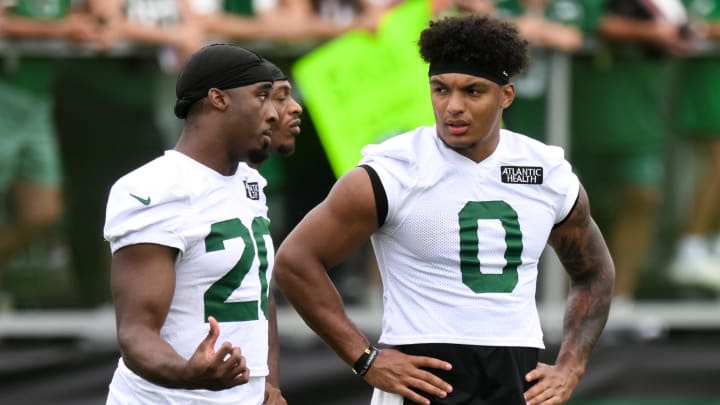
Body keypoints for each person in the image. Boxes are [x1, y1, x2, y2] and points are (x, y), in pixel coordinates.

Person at [274, 14, 614, 405]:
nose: (453, 106)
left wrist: (571, 365)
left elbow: (594, 272)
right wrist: (364, 358)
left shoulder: (545, 171)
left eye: (473, 91)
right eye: (440, 89)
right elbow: (294, 262)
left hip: (516, 377)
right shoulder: (392, 170)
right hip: (422, 381)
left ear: (506, 95)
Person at [103, 43, 285, 404]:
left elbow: (259, 295)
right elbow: (136, 331)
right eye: (261, 96)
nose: (274, 113)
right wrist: (187, 373)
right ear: (218, 98)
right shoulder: (156, 188)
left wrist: (269, 382)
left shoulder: (249, 183)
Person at [569, 0, 693, 303]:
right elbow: (586, 22)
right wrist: (650, 32)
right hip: (584, 118)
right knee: (582, 210)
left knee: (642, 195)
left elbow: (688, 24)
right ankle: (579, 299)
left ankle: (621, 299)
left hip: (644, 113)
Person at [0, 1, 98, 264]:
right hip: (5, 93)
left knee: (43, 209)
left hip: (38, 101)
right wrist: (58, 29)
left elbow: (85, 21)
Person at [667, 0, 720, 291]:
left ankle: (710, 244)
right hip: (707, 87)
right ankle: (691, 248)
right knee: (716, 163)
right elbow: (682, 24)